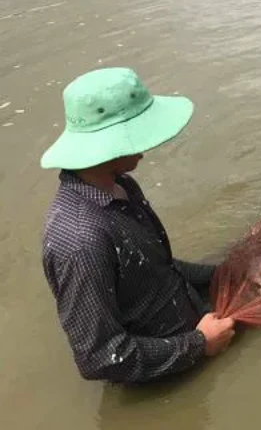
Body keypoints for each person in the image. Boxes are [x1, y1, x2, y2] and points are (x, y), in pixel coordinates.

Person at [40, 67, 235, 384]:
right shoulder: (80, 241)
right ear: (110, 142)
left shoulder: (122, 185)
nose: (145, 150)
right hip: (166, 383)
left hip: (195, 335)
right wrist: (198, 345)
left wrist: (221, 274)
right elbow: (100, 357)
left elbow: (154, 268)